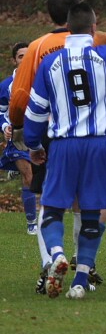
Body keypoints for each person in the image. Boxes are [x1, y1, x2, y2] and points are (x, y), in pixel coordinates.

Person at [13, 0, 106, 295]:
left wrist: (33, 144)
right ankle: (81, 279)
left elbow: (31, 107)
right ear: (93, 27)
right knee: (90, 210)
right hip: (99, 142)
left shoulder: (42, 54)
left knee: (51, 206)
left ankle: (54, 256)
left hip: (62, 142)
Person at [0, 42, 37, 234]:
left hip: (38, 135)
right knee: (28, 176)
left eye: (27, 55)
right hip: (17, 137)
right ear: (14, 60)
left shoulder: (41, 81)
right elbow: (1, 112)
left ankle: (15, 167)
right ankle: (32, 223)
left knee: (41, 177)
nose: (24, 59)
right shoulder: (6, 86)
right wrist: (5, 126)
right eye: (20, 56)